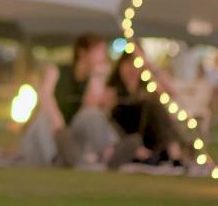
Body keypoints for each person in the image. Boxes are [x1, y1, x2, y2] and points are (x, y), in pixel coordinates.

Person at [21, 33, 145, 168]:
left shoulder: (94, 79)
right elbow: (45, 96)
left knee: (92, 114)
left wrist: (96, 76)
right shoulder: (56, 70)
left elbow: (90, 107)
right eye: (99, 51)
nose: (103, 57)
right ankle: (55, 158)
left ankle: (109, 153)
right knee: (45, 117)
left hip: (71, 141)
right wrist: (58, 124)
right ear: (82, 52)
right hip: (47, 135)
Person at [106, 47, 184, 165]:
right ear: (121, 65)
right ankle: (174, 155)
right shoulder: (112, 90)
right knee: (152, 104)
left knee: (155, 105)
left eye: (135, 64)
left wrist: (151, 66)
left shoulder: (147, 90)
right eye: (128, 63)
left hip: (148, 139)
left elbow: (171, 92)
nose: (131, 69)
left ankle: (173, 153)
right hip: (125, 138)